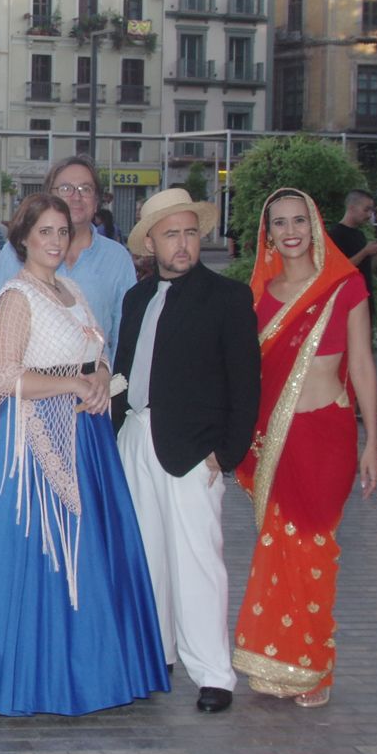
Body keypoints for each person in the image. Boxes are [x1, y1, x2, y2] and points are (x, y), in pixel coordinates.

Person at [0, 193, 168, 716]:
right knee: (27, 556)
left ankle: (89, 663)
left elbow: (96, 354)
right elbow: (5, 377)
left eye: (62, 232)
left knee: (91, 553)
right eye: (44, 232)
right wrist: (74, 386)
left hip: (85, 439)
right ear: (23, 238)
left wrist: (101, 381)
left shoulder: (70, 290)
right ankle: (20, 669)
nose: (55, 241)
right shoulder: (16, 296)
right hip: (28, 446)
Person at [112, 187, 260, 715]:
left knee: (199, 561)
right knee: (147, 558)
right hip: (136, 438)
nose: (183, 243)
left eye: (191, 232)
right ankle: (160, 654)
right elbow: (123, 371)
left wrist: (228, 451)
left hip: (194, 449)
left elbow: (246, 384)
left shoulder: (227, 298)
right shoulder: (136, 298)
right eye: (171, 233)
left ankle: (214, 673)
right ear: (150, 241)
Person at [232, 188, 377, 708]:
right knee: (278, 547)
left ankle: (313, 670)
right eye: (280, 223)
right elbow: (246, 374)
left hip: (328, 435)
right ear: (267, 232)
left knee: (316, 548)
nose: (290, 230)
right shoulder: (258, 295)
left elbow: (361, 365)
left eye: (299, 220)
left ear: (315, 225)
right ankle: (276, 661)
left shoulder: (344, 286)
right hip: (274, 439)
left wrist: (373, 443)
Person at [0, 155, 136, 376]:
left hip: (94, 397)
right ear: (49, 196)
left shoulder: (117, 258)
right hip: (31, 399)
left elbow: (125, 336)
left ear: (97, 201)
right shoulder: (15, 253)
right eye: (65, 188)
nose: (76, 196)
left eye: (86, 188)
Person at [326, 188, 377, 317]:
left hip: (364, 299)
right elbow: (339, 270)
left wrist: (376, 254)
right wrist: (365, 252)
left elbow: (366, 270)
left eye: (371, 210)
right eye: (366, 209)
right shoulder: (336, 235)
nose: (369, 215)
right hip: (346, 303)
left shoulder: (359, 234)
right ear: (351, 208)